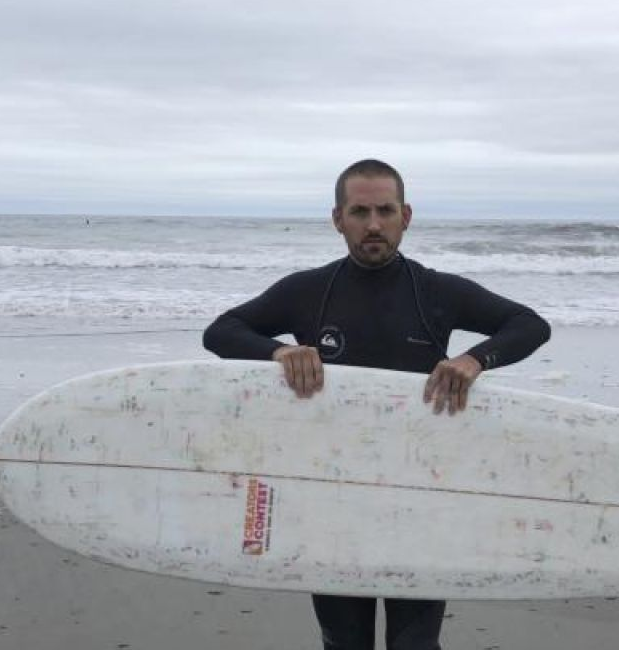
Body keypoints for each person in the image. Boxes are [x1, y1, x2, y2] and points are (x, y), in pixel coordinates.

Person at [202, 159, 551, 650]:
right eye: (359, 211)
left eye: (385, 211)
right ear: (337, 218)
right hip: (332, 499)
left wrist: (474, 359)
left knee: (415, 645)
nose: (373, 225)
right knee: (344, 643)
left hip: (422, 496)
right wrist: (279, 351)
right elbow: (221, 331)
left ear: (405, 216)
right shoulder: (308, 291)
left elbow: (530, 325)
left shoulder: (435, 291)